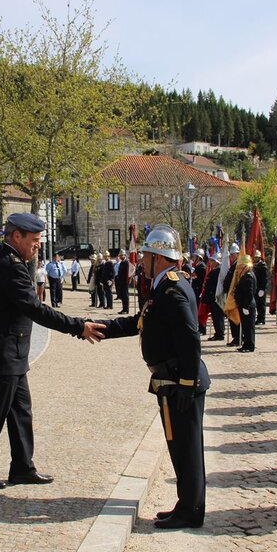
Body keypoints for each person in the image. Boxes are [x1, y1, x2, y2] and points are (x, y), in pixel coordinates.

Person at [0, 213, 105, 489]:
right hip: (2, 351)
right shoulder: (9, 266)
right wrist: (77, 326)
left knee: (20, 410)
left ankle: (23, 466)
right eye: (35, 240)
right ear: (17, 236)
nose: (38, 245)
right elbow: (34, 308)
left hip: (9, 349)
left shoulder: (4, 259)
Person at [96, 224, 209, 528]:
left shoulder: (172, 289)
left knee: (187, 447)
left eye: (146, 255)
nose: (141, 260)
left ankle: (191, 510)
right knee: (180, 445)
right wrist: (99, 329)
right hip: (171, 379)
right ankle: (186, 503)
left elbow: (189, 339)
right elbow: (141, 322)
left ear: (158, 257)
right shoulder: (165, 285)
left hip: (178, 381)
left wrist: (187, 383)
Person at [233, 253, 256, 352]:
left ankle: (249, 345)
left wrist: (246, 306)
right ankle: (246, 344)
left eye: (242, 266)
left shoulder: (248, 276)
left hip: (248, 305)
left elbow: (249, 293)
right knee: (245, 326)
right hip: (243, 304)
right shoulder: (245, 275)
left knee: (249, 327)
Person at [253, 250, 268, 325]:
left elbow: (264, 279)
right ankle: (258, 318)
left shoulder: (262, 266)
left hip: (260, 288)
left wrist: (262, 288)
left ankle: (261, 319)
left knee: (261, 304)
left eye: (257, 257)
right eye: (255, 257)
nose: (255, 258)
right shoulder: (254, 265)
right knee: (257, 304)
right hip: (256, 287)